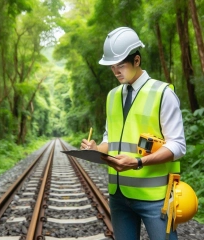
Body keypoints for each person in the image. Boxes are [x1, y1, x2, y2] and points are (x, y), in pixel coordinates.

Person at [80, 27, 186, 240]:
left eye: (121, 65)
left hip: (155, 198)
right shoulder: (112, 96)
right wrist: (96, 149)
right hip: (118, 196)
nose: (116, 71)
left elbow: (178, 146)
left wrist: (138, 163)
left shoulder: (163, 93)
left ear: (136, 60)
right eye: (112, 66)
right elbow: (110, 140)